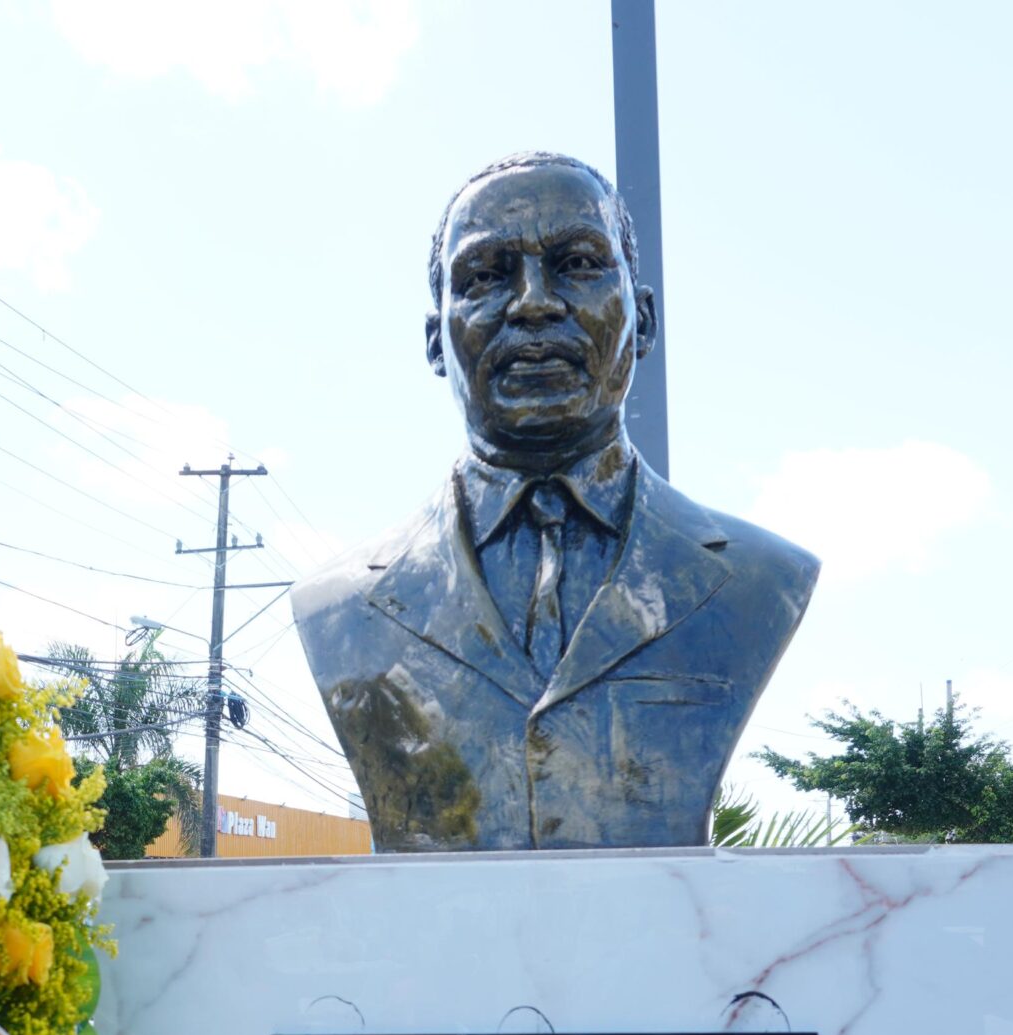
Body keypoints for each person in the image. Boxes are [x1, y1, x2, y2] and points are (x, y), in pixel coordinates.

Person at [294, 152, 817, 852]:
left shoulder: (760, 579)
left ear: (647, 320)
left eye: (576, 264)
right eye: (485, 275)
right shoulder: (338, 606)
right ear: (434, 343)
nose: (534, 302)